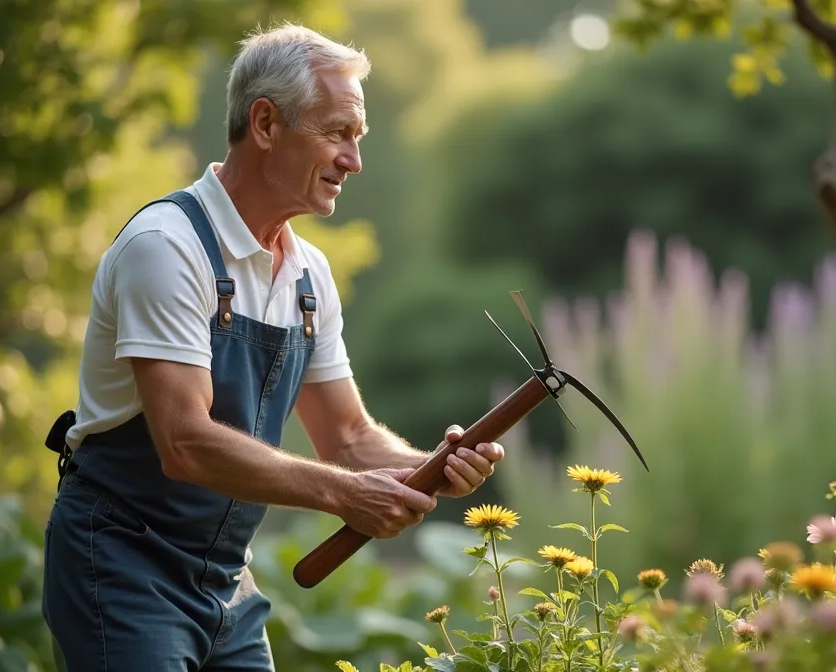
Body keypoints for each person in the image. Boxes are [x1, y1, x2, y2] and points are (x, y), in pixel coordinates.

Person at [40, 22, 505, 671]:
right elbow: (184, 442)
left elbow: (346, 437)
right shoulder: (167, 248)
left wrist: (430, 466)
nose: (354, 159)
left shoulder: (309, 275)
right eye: (337, 132)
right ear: (264, 124)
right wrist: (344, 495)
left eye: (358, 138)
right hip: (121, 564)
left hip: (228, 583)